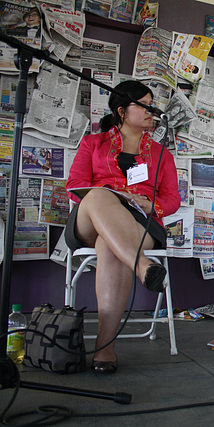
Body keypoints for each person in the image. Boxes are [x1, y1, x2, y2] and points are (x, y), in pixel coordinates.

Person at [65, 80, 180, 374]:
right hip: (91, 218)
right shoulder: (93, 143)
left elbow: (172, 200)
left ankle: (105, 348)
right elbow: (75, 186)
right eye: (143, 105)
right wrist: (113, 195)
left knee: (109, 244)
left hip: (138, 224)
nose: (150, 111)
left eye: (152, 105)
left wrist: (147, 204)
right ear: (121, 110)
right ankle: (143, 266)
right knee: (99, 195)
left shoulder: (161, 154)